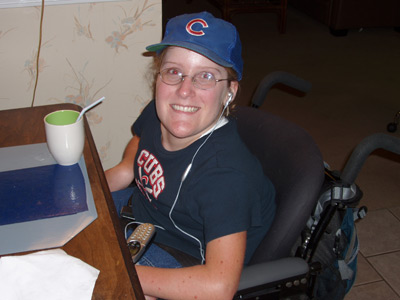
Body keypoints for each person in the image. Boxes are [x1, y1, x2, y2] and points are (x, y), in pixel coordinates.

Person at [105, 11, 276, 300]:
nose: (184, 91)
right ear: (158, 77)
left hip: (182, 258)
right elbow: (139, 143)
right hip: (141, 217)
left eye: (205, 76)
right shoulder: (160, 111)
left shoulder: (227, 177)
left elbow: (218, 287)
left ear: (230, 92)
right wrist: (125, 169)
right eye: (174, 72)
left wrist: (114, 269)